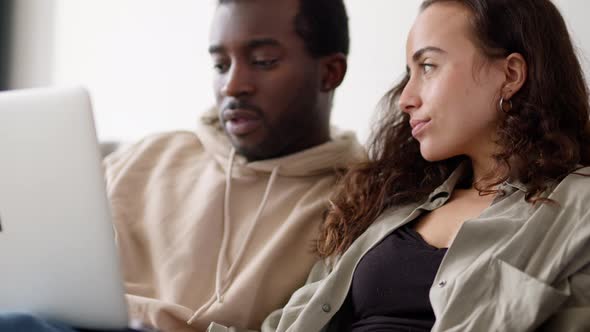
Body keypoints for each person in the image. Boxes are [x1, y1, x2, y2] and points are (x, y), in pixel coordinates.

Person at [209, 0, 590, 331]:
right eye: (409, 72)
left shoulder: (577, 211)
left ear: (509, 75)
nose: (406, 98)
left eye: (428, 66)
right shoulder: (390, 203)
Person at [0, 0, 364, 331]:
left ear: (330, 73)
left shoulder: (356, 199)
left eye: (263, 61)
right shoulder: (147, 157)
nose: (232, 86)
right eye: (220, 65)